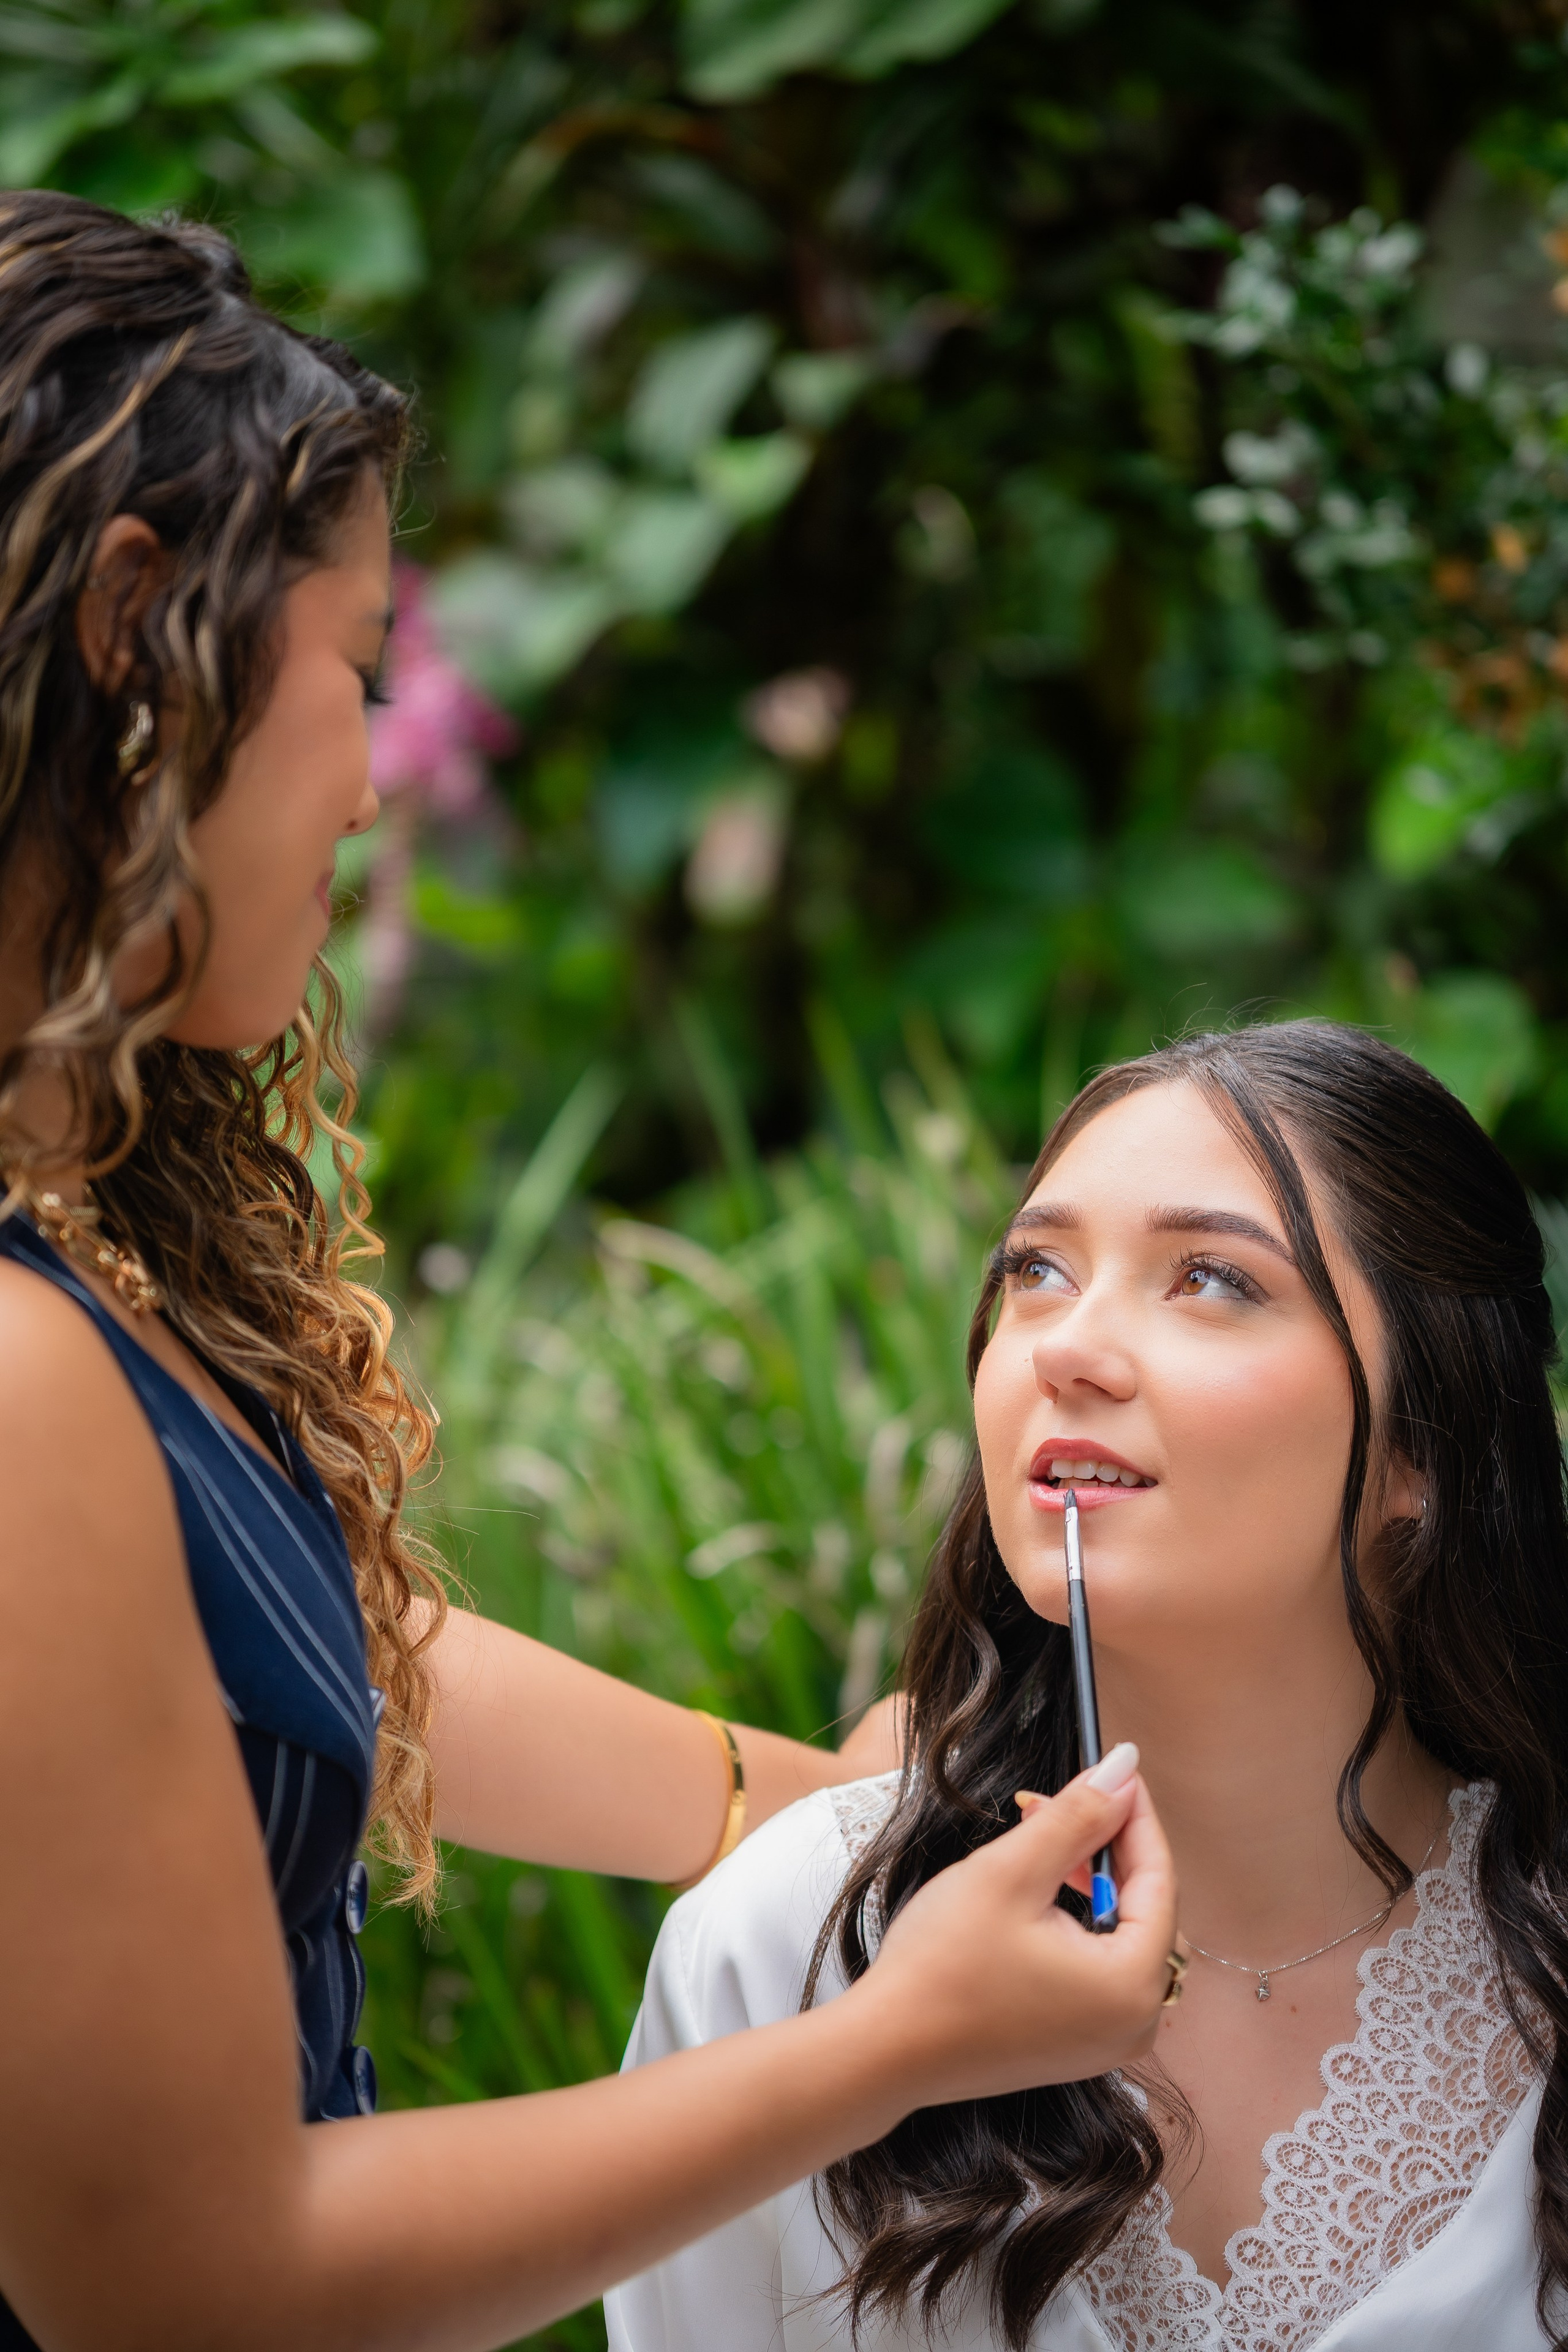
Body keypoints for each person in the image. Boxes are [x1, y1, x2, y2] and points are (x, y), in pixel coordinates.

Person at [0, 190, 1183, 2352]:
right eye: (352, 679)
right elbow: (180, 2281)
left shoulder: (71, 1259)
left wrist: (830, 1803)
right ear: (128, 641)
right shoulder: (13, 1371)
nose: (371, 786)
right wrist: (896, 2041)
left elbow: (277, 1645)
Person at [607, 1020, 1568, 2352]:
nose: (1067, 1347)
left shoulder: (1545, 1961)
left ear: (1424, 1445)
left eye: (1212, 1281)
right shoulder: (779, 1948)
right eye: (1036, 1271)